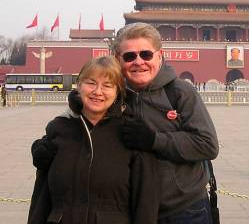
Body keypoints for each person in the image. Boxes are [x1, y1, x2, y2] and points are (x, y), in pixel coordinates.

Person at [32, 23, 219, 224]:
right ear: (118, 60)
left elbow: (207, 144)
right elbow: (75, 125)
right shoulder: (112, 94)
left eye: (146, 54)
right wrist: (41, 147)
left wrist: (155, 140)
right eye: (130, 56)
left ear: (160, 55)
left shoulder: (180, 93)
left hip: (182, 210)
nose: (138, 62)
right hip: (131, 210)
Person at [28, 56, 160, 224]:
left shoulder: (134, 134)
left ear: (118, 91)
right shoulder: (59, 129)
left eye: (107, 85)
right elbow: (41, 198)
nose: (98, 91)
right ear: (79, 85)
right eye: (91, 83)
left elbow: (146, 205)